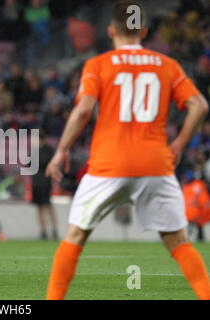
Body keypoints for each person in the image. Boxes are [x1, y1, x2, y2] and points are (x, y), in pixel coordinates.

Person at [45, 1, 210, 300]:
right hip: (156, 164)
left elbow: (83, 111)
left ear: (110, 31)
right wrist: (179, 143)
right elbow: (199, 105)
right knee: (178, 242)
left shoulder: (98, 64)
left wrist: (62, 150)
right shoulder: (168, 65)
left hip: (108, 165)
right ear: (144, 31)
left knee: (75, 237)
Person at [31, 131, 58, 239]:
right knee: (39, 207)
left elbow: (45, 162)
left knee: (47, 205)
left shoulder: (48, 150)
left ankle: (54, 230)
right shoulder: (34, 151)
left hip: (45, 181)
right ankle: (43, 231)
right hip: (36, 181)